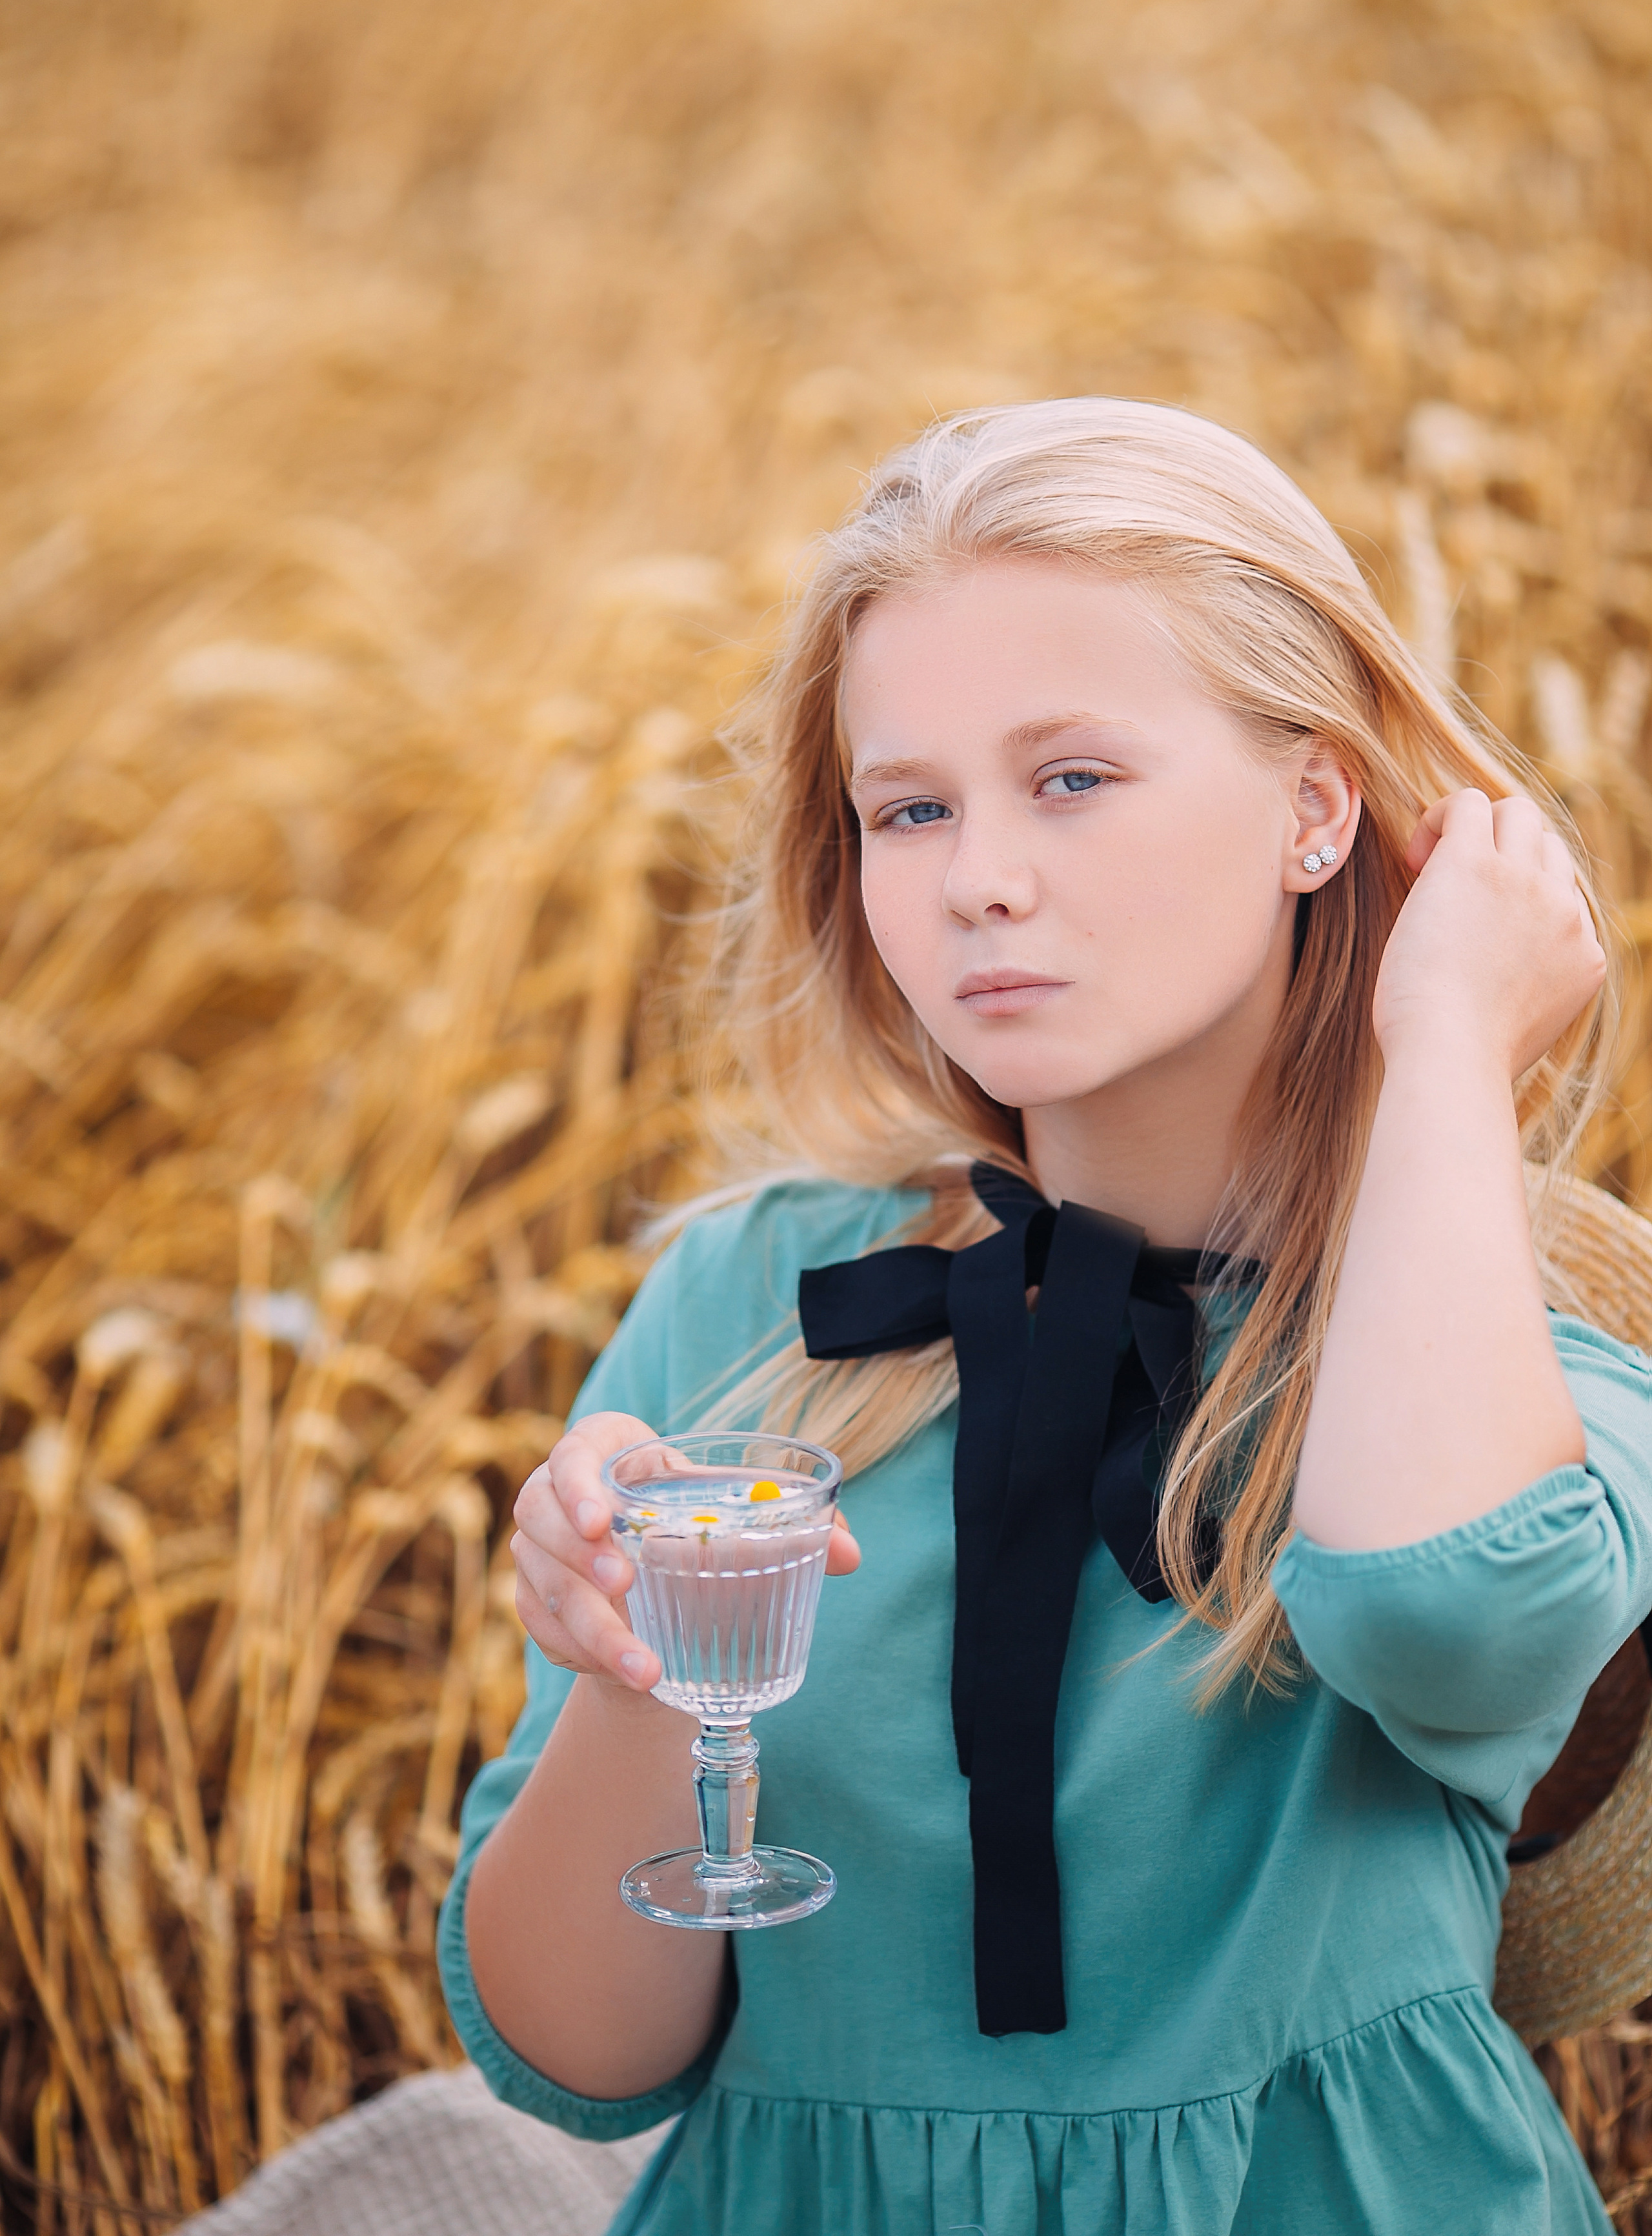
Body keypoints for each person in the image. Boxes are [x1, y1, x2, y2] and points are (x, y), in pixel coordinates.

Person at [438, 398, 1651, 2235]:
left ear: (1315, 806)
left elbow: (1447, 1607)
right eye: (907, 807)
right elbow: (572, 2056)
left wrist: (1452, 1049)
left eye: (1072, 777)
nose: (976, 877)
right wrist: (631, 1669)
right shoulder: (764, 1300)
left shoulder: (1514, 1337)